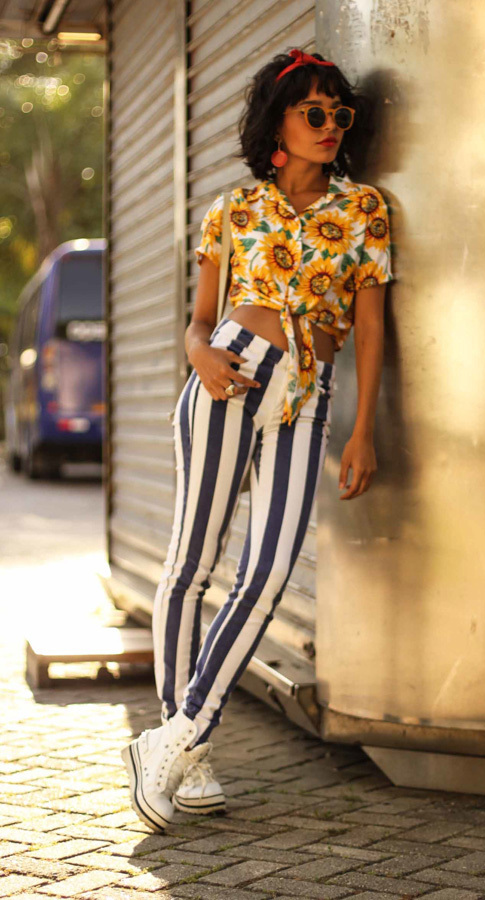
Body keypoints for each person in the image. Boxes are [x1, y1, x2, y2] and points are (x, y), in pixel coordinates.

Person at [121, 47, 395, 832]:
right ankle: (191, 755)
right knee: (190, 563)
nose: (329, 126)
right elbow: (199, 320)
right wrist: (199, 355)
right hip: (226, 379)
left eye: (340, 114)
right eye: (314, 112)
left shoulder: (365, 210)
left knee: (268, 571)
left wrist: (363, 431)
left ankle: (173, 739)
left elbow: (371, 332)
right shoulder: (233, 210)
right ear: (277, 119)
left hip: (306, 401)